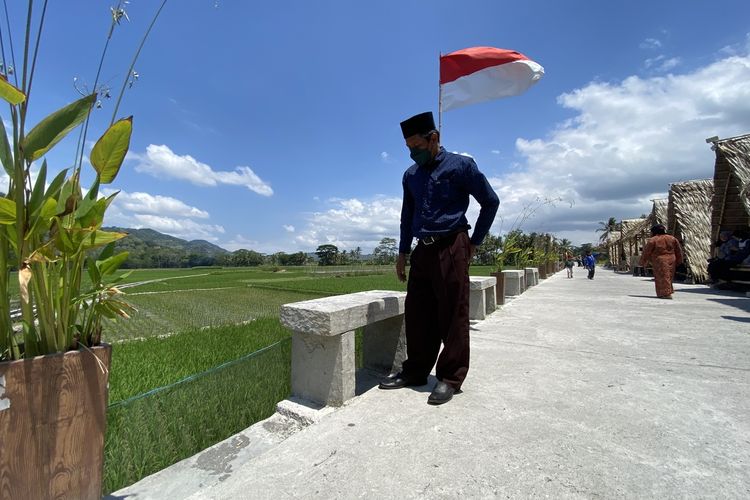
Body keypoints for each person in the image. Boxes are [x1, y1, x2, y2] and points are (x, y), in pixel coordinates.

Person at [379, 111, 499, 405]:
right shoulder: (411, 176)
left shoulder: (461, 166)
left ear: (434, 139)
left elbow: (490, 202)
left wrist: (473, 243)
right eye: (408, 149)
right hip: (423, 249)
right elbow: (407, 216)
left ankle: (450, 377)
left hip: (452, 244)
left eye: (417, 147)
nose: (412, 153)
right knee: (418, 312)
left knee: (453, 313)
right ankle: (416, 371)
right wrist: (402, 252)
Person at [638, 224, 683, 299]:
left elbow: (646, 252)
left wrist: (642, 262)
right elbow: (678, 250)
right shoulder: (672, 238)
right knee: (669, 276)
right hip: (672, 259)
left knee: (662, 277)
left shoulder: (653, 240)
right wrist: (679, 261)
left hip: (660, 260)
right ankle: (668, 292)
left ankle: (665, 294)